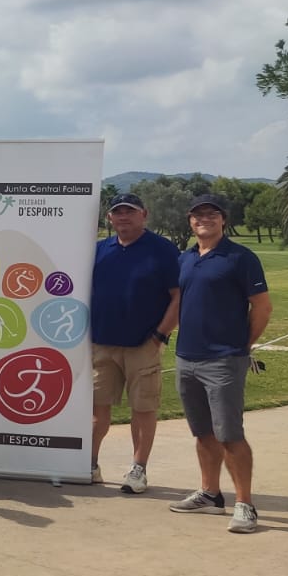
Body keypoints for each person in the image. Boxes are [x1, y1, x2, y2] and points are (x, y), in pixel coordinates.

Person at [168, 194, 271, 534]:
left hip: (224, 359)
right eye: (198, 215)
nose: (204, 219)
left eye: (212, 214)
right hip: (187, 357)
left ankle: (245, 505)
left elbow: (262, 307)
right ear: (190, 221)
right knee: (203, 432)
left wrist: (243, 345)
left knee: (230, 435)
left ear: (223, 220)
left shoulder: (241, 258)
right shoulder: (186, 258)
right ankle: (211, 493)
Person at [90, 193, 180, 492]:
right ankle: (89, 463)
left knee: (142, 409)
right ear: (110, 218)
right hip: (102, 342)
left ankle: (138, 469)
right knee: (96, 408)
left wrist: (160, 335)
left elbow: (178, 297)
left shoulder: (163, 250)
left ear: (145, 214)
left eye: (130, 211)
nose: (123, 217)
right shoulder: (99, 250)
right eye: (118, 212)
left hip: (144, 343)